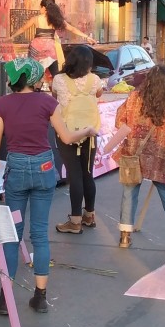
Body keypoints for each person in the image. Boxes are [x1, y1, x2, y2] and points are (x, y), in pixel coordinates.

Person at [0, 58, 97, 314]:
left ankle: (5, 299)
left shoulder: (2, 104)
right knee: (39, 234)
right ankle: (40, 297)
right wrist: (88, 130)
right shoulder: (47, 102)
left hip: (17, 167)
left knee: (12, 234)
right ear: (34, 80)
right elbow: (66, 136)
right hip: (45, 167)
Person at [113, 65, 165, 250]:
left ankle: (125, 236)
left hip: (134, 152)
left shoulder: (134, 98)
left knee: (129, 192)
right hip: (160, 154)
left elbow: (119, 121)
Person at [51, 45, 103, 234]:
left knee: (75, 175)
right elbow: (99, 94)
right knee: (87, 174)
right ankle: (89, 215)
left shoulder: (59, 79)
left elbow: (54, 96)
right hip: (90, 132)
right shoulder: (95, 80)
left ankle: (74, 221)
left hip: (67, 133)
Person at [11, 0, 95, 79]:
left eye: (40, 7)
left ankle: (34, 88)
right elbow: (72, 29)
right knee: (55, 73)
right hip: (50, 48)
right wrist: (87, 37)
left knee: (34, 73)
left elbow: (23, 29)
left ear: (44, 8)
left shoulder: (36, 19)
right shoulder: (55, 20)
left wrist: (12, 37)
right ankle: (58, 86)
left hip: (37, 48)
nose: (40, 9)